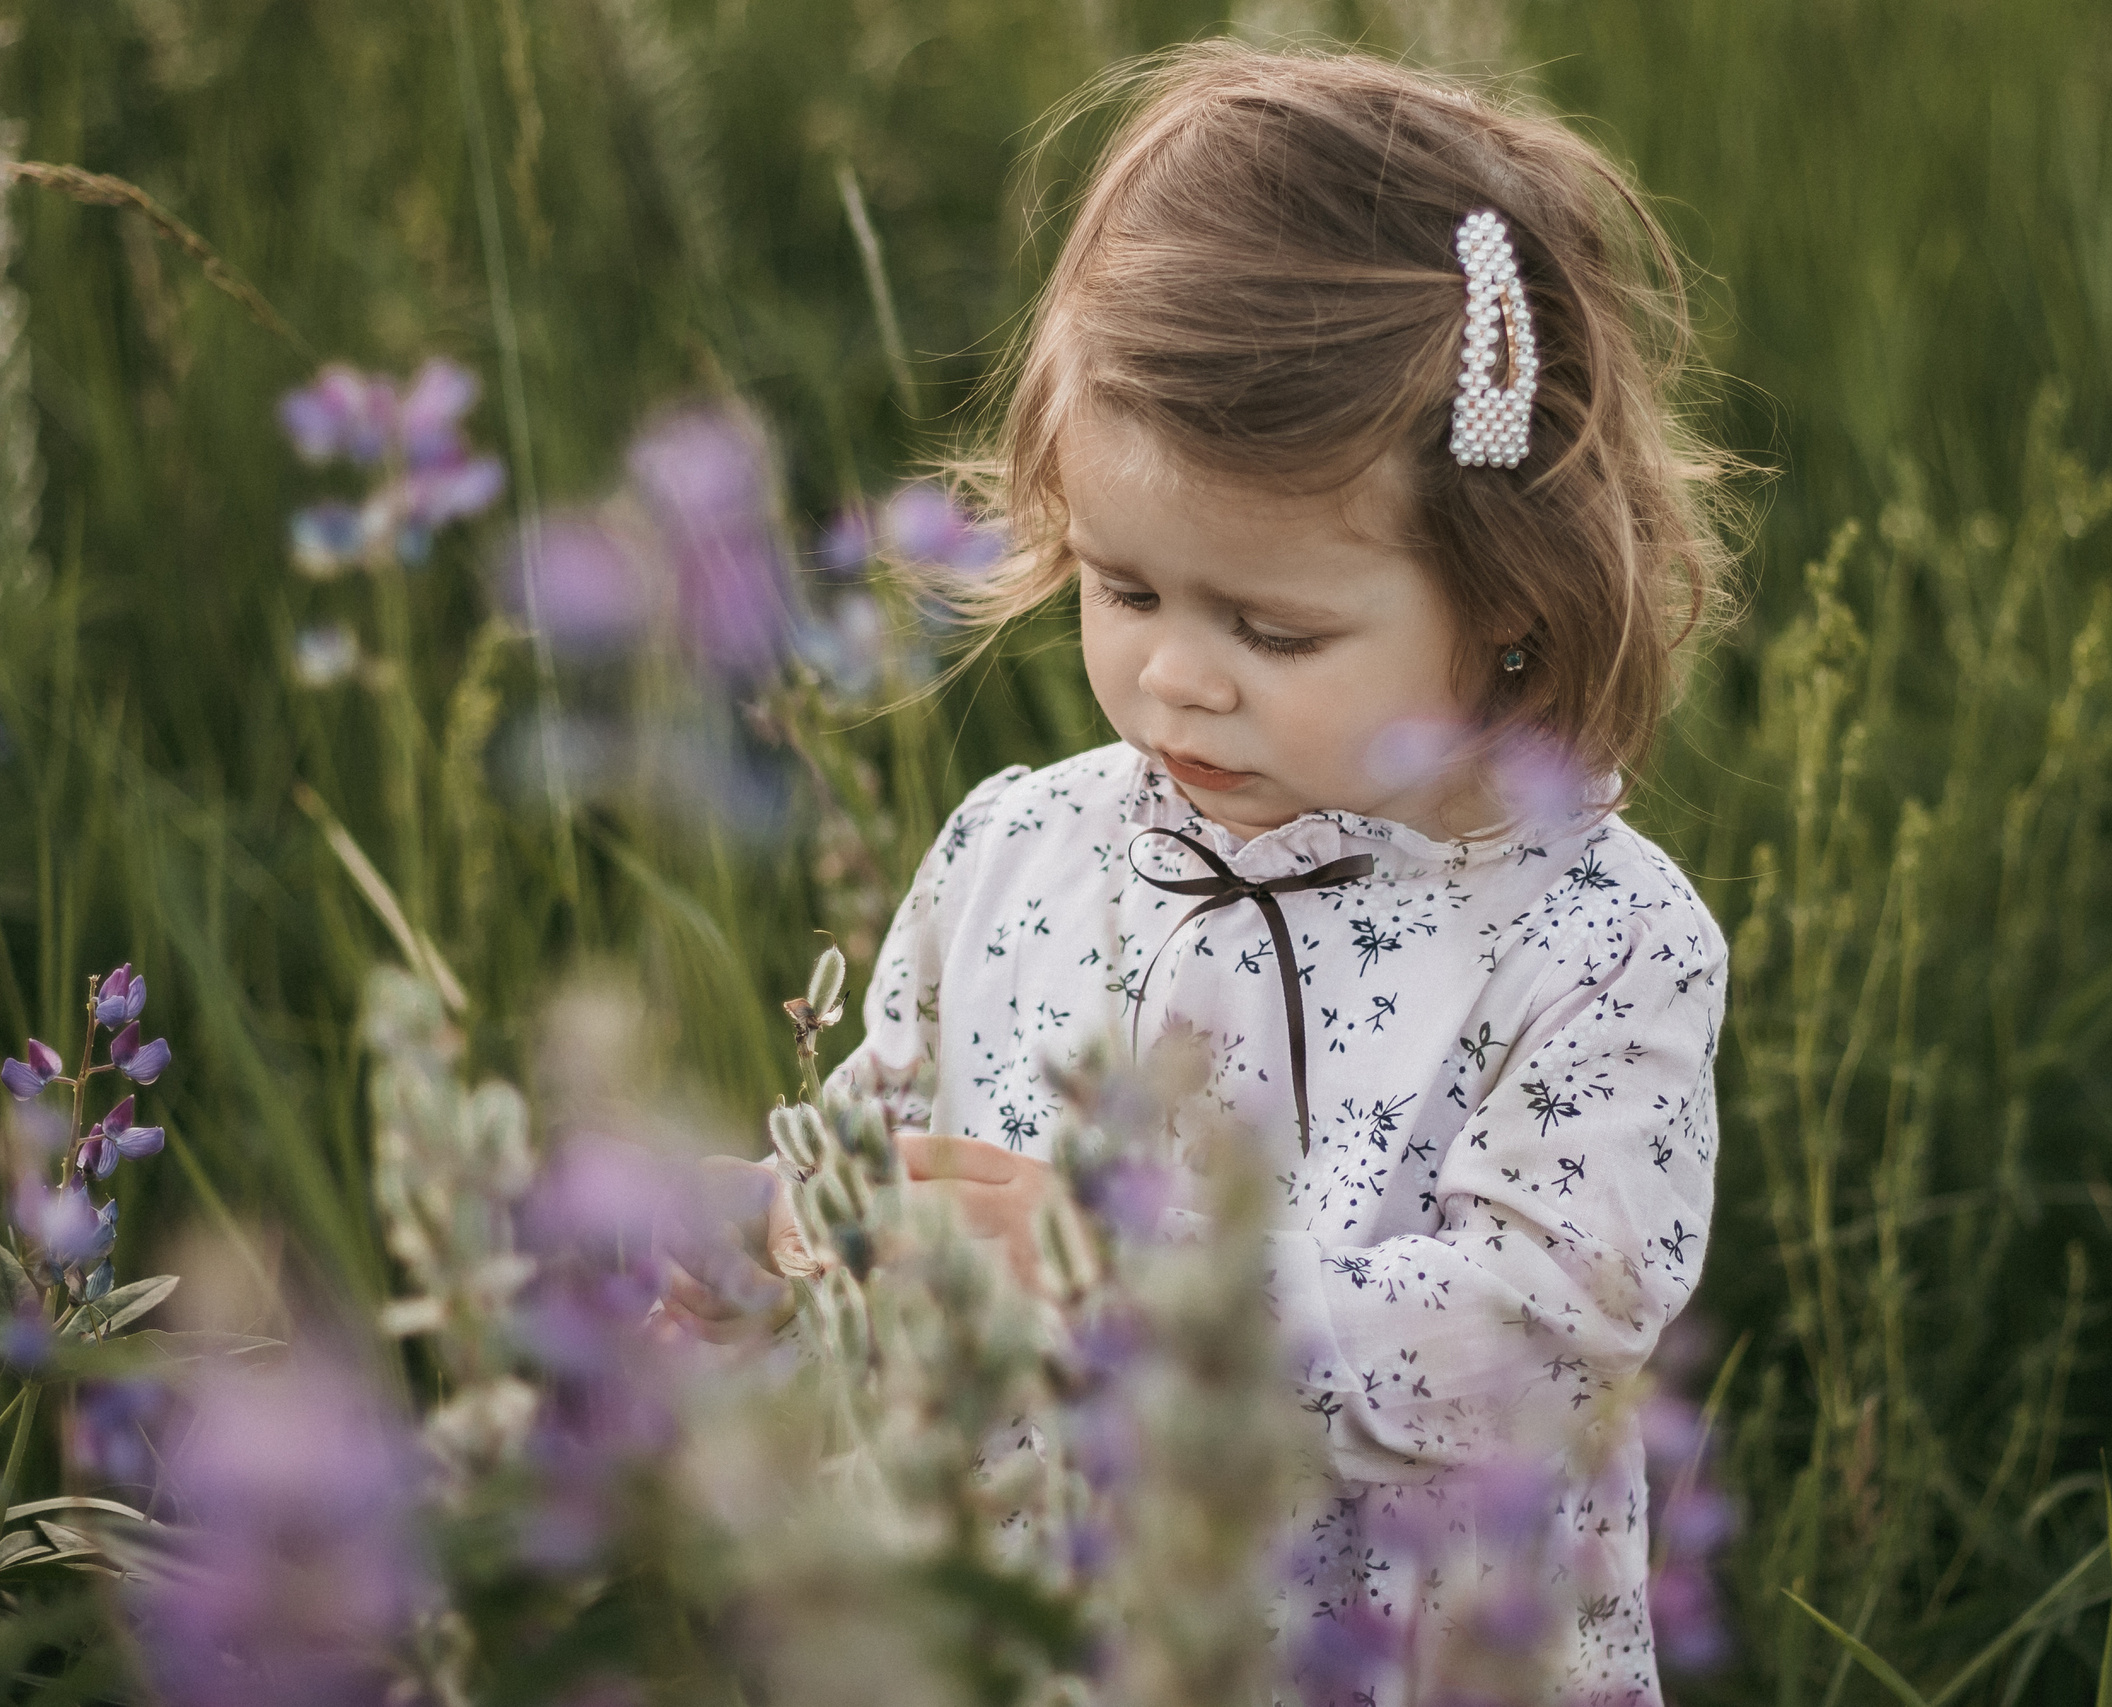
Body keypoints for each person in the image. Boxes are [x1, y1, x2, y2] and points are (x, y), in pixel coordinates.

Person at [669, 42, 1735, 1704]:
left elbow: (1532, 1332)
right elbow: (902, 1142)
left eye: (1273, 626)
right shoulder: (1020, 850)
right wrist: (786, 1242)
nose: (1177, 680)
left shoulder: (1593, 937)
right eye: (1125, 589)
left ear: (1508, 592)